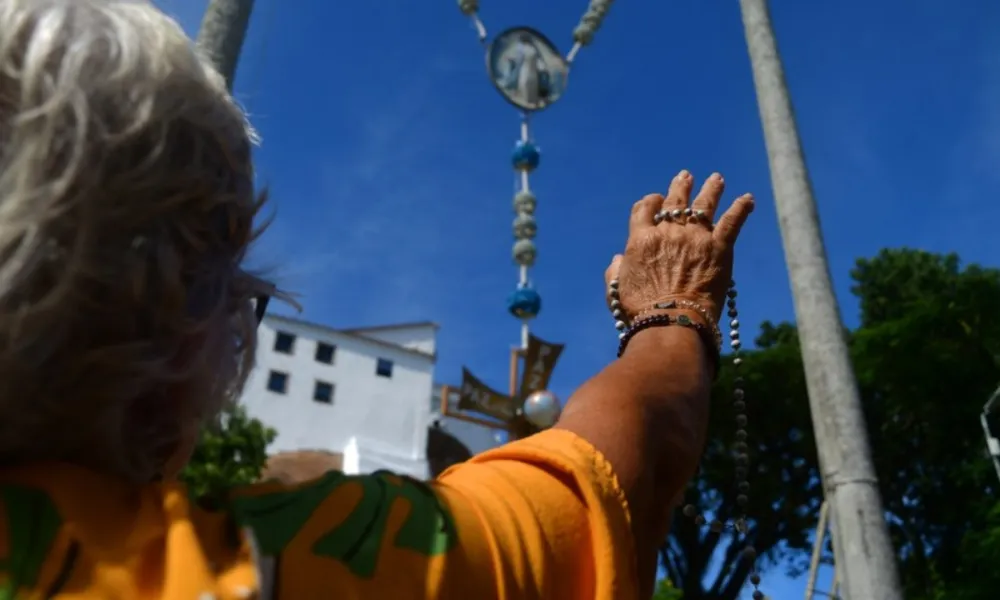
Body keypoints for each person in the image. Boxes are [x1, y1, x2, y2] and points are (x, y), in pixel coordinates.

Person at [0, 1, 754, 599]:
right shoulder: (290, 568)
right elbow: (627, 466)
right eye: (238, 296)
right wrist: (671, 310)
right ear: (170, 317)